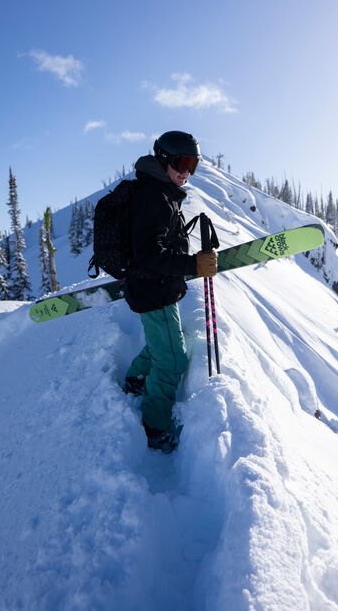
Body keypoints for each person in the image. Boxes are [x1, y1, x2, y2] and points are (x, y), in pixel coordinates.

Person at [123, 130, 217, 452]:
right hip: (154, 293)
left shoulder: (161, 192)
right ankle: (155, 427)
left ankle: (136, 379)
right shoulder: (152, 197)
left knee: (166, 345)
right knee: (173, 360)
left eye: (192, 164)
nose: (186, 171)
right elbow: (150, 255)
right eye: (181, 162)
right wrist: (193, 266)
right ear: (163, 159)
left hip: (162, 290)